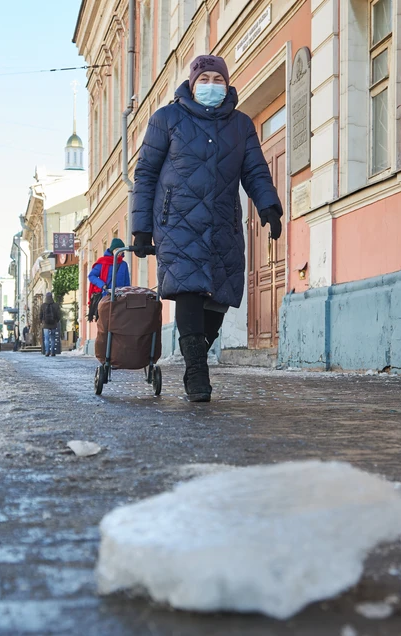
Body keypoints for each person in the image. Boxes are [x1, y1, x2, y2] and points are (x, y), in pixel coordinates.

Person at [130, 55, 283, 402]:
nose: (211, 85)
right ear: (192, 82)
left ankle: (194, 357)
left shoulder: (241, 125)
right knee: (189, 290)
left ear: (227, 84)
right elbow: (146, 175)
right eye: (205, 78)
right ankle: (197, 371)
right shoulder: (166, 119)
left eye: (218, 79)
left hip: (222, 222)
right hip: (177, 222)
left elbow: (255, 170)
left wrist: (268, 205)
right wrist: (141, 228)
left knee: (220, 296)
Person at [87, 238, 132, 321]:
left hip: (120, 299)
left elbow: (127, 283)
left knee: (119, 321)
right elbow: (91, 276)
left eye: (121, 250)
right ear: (112, 250)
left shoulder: (123, 264)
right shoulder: (103, 262)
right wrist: (102, 284)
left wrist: (127, 296)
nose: (119, 252)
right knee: (106, 322)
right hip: (105, 297)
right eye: (117, 250)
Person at [39, 292, 62, 357]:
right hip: (53, 323)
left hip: (45, 324)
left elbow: (40, 315)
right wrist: (57, 321)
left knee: (46, 338)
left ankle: (47, 352)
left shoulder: (43, 305)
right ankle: (52, 352)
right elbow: (58, 314)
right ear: (52, 297)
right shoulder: (56, 305)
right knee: (53, 338)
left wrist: (41, 321)